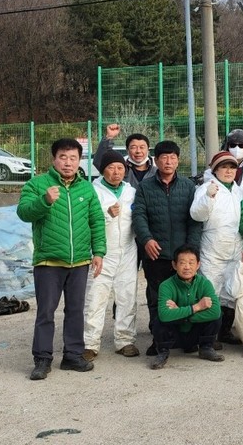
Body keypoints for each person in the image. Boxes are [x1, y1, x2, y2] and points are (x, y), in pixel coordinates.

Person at [17, 138, 106, 381]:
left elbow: (96, 220)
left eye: (73, 158)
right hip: (48, 262)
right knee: (46, 312)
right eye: (63, 157)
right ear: (54, 159)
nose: (68, 163)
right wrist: (44, 201)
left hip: (79, 262)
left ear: (79, 161)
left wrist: (98, 252)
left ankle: (73, 355)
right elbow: (23, 213)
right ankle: (42, 359)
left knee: (76, 310)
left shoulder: (86, 188)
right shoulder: (37, 185)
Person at [132, 140, 202, 360]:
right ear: (156, 160)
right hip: (157, 254)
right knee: (156, 299)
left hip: (183, 255)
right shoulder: (145, 187)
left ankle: (187, 340)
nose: (168, 161)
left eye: (172, 157)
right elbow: (139, 215)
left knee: (186, 297)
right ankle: (159, 340)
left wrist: (191, 249)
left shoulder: (189, 187)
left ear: (178, 160)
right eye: (164, 157)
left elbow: (195, 219)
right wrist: (147, 240)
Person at [83, 151, 139, 362]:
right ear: (102, 169)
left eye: (120, 168)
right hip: (101, 252)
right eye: (111, 168)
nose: (116, 172)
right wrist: (107, 215)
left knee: (127, 296)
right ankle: (90, 343)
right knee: (96, 297)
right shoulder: (92, 192)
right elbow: (87, 222)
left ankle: (125, 340)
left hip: (128, 250)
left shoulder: (131, 191)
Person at [189, 151, 243, 344]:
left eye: (232, 167)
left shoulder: (238, 190)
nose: (229, 171)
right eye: (224, 167)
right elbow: (196, 214)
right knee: (211, 291)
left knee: (230, 292)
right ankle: (208, 336)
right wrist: (208, 197)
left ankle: (225, 331)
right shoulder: (207, 188)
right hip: (212, 250)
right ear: (215, 170)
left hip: (234, 248)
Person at [152, 245, 224, 369]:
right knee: (159, 320)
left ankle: (206, 348)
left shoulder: (204, 283)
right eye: (182, 263)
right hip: (175, 335)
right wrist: (196, 307)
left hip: (195, 332)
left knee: (217, 317)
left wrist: (179, 313)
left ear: (198, 265)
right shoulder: (166, 285)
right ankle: (162, 352)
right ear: (174, 265)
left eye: (191, 263)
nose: (187, 267)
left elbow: (215, 312)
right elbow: (164, 315)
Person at [93, 123, 157, 188]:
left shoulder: (158, 172)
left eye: (142, 147)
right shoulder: (120, 170)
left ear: (148, 149)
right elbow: (99, 161)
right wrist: (109, 137)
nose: (138, 151)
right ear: (127, 150)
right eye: (133, 147)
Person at [202, 128, 243, 194]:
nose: (237, 149)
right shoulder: (211, 173)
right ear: (227, 146)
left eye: (241, 145)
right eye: (233, 145)